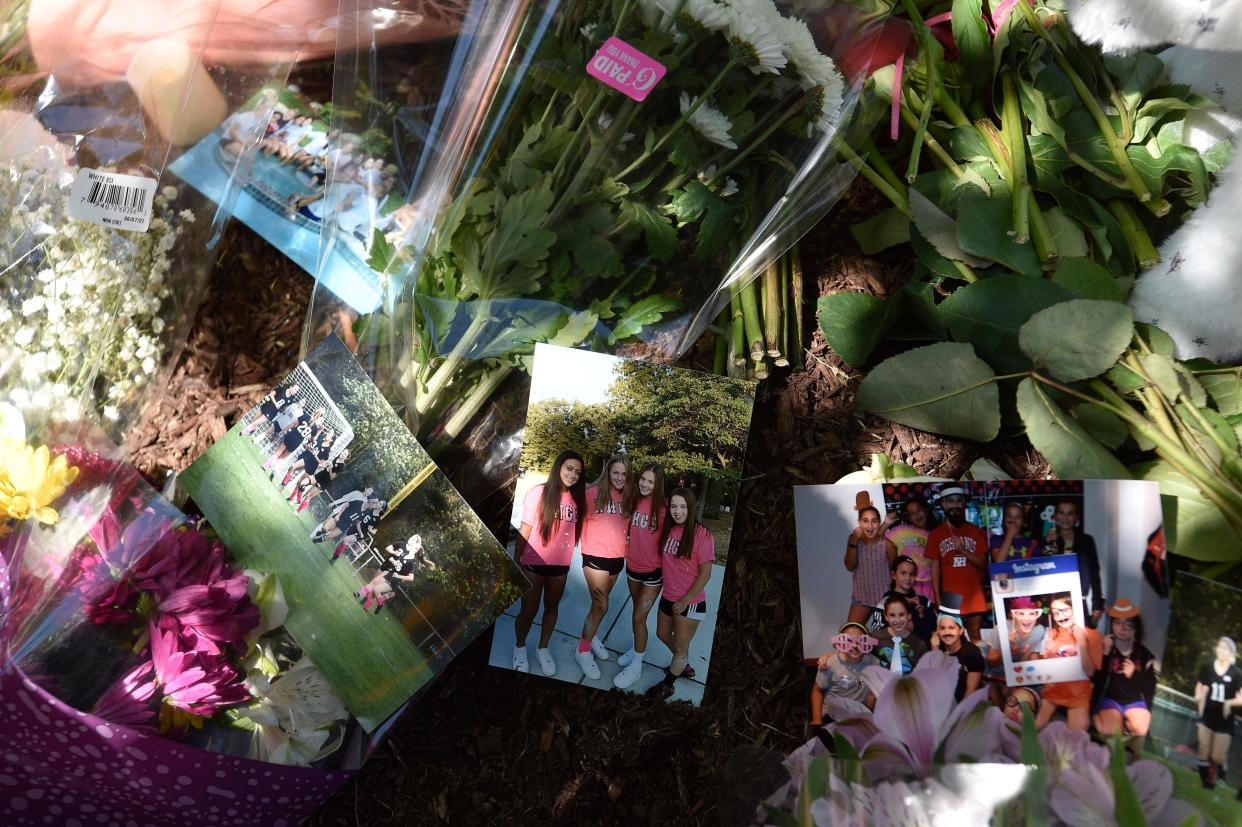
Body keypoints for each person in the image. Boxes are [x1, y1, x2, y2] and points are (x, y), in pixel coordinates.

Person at [512, 450, 587, 676]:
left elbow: (575, 532)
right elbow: (524, 531)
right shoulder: (539, 493)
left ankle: (543, 649)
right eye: (569, 468)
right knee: (528, 611)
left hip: (559, 568)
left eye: (577, 472)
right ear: (559, 467)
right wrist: (516, 563)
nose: (573, 475)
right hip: (533, 564)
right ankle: (520, 647)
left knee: (552, 608)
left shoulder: (577, 500)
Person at [646, 488, 715, 701]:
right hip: (669, 596)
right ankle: (682, 662)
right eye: (674, 506)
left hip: (690, 602)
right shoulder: (669, 530)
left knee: (681, 646)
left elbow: (706, 574)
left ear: (691, 508)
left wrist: (685, 601)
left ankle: (669, 684)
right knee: (662, 634)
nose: (678, 511)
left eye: (683, 506)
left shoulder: (702, 535)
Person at [574, 454, 633, 680]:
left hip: (617, 559)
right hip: (594, 557)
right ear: (608, 472)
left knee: (598, 606)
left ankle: (593, 635)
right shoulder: (591, 494)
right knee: (601, 605)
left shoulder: (629, 498)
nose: (619, 477)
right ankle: (583, 650)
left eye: (624, 474)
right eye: (615, 472)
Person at [614, 463, 666, 690]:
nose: (645, 484)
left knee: (638, 617)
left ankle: (636, 666)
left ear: (658, 485)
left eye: (650, 481)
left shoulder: (664, 509)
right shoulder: (634, 501)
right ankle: (636, 648)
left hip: (653, 573)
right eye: (642, 479)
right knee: (638, 615)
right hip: (632, 569)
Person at [1092, 599, 1157, 759]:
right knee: (1111, 735)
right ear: (1112, 625)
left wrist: (1135, 675)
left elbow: (1150, 689)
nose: (1122, 628)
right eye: (1117, 623)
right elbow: (1095, 683)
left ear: (1136, 629)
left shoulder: (1144, 655)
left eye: (1128, 624)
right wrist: (1105, 655)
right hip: (1110, 701)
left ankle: (1135, 767)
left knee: (1141, 729)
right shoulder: (1104, 646)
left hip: (1134, 701)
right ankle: (1107, 725)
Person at [925, 487, 989, 640]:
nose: (955, 505)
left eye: (959, 501)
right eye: (951, 501)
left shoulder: (976, 531)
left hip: (973, 592)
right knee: (952, 639)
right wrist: (938, 598)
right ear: (944, 505)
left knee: (975, 636)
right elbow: (934, 568)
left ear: (964, 504)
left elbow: (983, 565)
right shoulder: (936, 534)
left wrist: (963, 550)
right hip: (950, 595)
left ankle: (978, 664)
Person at [1035, 593, 1103, 731]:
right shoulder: (1051, 635)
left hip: (1079, 693)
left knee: (1077, 738)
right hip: (1053, 690)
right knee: (1034, 728)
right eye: (1055, 613)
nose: (1060, 616)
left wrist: (1082, 642)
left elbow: (1090, 671)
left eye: (1065, 610)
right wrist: (1047, 657)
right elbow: (1043, 671)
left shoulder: (1093, 635)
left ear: (1075, 608)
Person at [1044, 499, 1104, 626]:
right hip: (1054, 601)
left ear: (1076, 517)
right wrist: (1046, 544)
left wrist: (1097, 604)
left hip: (1078, 599)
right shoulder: (1048, 539)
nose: (1065, 517)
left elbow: (1094, 573)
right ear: (1055, 516)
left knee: (1082, 641)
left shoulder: (1086, 540)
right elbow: (1041, 571)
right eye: (1062, 512)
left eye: (1070, 513)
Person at [1195, 636, 1242, 788]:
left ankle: (1222, 766)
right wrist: (1199, 699)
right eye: (1219, 647)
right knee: (1203, 747)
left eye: (1225, 648)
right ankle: (1205, 782)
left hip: (1225, 718)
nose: (1221, 650)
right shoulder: (1208, 667)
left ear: (1231, 653)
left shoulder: (1236, 673)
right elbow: (1200, 686)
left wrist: (1229, 702)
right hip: (1208, 714)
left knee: (1216, 756)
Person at [811, 622, 880, 725]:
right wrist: (817, 719)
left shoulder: (874, 662)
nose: (854, 646)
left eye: (860, 641)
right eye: (848, 641)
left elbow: (871, 694)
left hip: (858, 716)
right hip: (832, 715)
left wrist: (870, 717)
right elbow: (817, 691)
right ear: (840, 642)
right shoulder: (829, 663)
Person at [844, 494, 898, 625]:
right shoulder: (855, 541)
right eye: (865, 520)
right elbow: (850, 566)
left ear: (879, 523)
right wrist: (853, 542)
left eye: (874, 521)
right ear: (859, 523)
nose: (870, 525)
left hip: (885, 599)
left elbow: (895, 573)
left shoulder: (888, 545)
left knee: (888, 639)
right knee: (851, 635)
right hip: (862, 597)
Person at [356, 535, 434, 613]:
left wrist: (400, 576)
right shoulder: (404, 552)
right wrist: (393, 559)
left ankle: (368, 601)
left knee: (375, 589)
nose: (411, 540)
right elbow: (398, 564)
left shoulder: (412, 562)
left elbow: (410, 576)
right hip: (389, 571)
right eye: (412, 538)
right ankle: (362, 596)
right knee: (374, 583)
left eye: (414, 541)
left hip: (392, 578)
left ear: (416, 549)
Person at [866, 556, 935, 643]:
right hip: (894, 653)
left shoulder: (924, 601)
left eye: (912, 574)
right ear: (894, 575)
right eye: (903, 573)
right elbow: (877, 635)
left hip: (923, 653)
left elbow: (934, 630)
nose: (908, 577)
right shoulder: (884, 603)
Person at [884, 495, 937, 603]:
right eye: (912, 513)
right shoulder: (901, 531)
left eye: (919, 510)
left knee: (928, 617)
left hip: (929, 585)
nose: (916, 515)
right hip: (906, 584)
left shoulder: (935, 534)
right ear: (908, 517)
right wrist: (887, 523)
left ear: (926, 511)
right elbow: (878, 539)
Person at [932, 610, 985, 701]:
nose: (947, 632)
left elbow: (971, 691)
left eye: (951, 628)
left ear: (961, 630)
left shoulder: (972, 652)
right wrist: (934, 649)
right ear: (938, 632)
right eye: (942, 628)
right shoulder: (939, 650)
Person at [872, 594, 929, 675]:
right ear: (886, 616)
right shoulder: (875, 637)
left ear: (909, 615)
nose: (897, 620)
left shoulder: (919, 643)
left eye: (901, 614)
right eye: (892, 615)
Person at [1006, 596, 1047, 663]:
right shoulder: (1003, 628)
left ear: (1037, 615)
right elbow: (992, 662)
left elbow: (1025, 657)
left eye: (1031, 613)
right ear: (1013, 615)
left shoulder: (1039, 631)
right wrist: (1008, 645)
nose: (1027, 618)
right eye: (1021, 613)